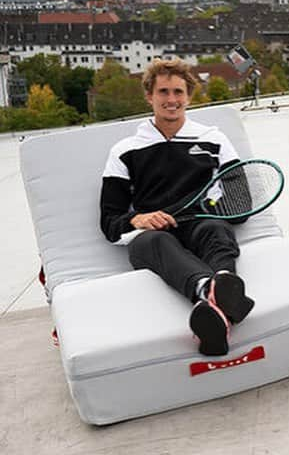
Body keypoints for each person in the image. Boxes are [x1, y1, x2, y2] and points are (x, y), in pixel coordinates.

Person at [100, 57, 254, 356]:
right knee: (155, 241)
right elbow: (109, 221)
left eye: (178, 92)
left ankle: (214, 305)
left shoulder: (214, 139)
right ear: (149, 96)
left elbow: (241, 203)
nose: (172, 100)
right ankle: (218, 294)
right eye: (163, 92)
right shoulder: (124, 151)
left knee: (217, 230)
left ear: (189, 96)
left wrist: (207, 210)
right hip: (154, 237)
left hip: (200, 224)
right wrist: (139, 219)